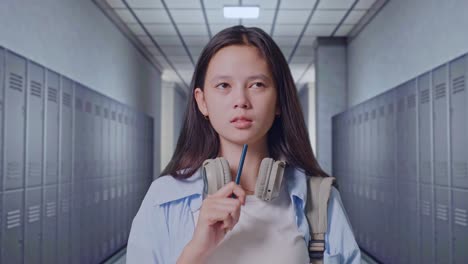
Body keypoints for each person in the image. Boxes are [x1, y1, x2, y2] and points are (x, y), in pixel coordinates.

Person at [126, 25, 361, 264]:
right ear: (202, 101)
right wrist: (196, 251)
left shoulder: (320, 199)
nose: (241, 101)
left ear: (279, 100)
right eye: (224, 86)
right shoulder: (163, 198)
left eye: (257, 84)